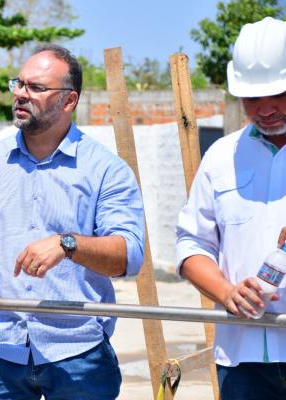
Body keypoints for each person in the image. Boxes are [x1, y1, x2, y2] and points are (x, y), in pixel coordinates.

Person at [0, 45, 145, 400]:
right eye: (18, 84)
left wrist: (68, 244)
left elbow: (127, 256)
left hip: (79, 356)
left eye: (36, 88)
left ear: (69, 101)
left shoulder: (106, 170)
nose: (21, 94)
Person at [176, 16, 286, 399]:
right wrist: (225, 292)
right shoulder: (221, 156)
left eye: (278, 94)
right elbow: (192, 246)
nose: (266, 108)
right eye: (253, 98)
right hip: (242, 360)